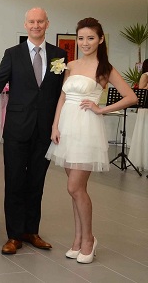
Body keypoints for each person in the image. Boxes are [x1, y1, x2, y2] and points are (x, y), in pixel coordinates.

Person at [0, 7, 67, 255]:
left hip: (44, 130)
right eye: (32, 21)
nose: (36, 25)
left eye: (40, 21)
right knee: (14, 182)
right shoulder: (13, 53)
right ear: (25, 24)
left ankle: (32, 231)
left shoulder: (59, 56)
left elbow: (61, 93)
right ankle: (14, 235)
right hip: (17, 129)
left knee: (37, 182)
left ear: (47, 23)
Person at [46, 17, 137, 264]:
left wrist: (101, 109)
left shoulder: (104, 68)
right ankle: (78, 240)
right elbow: (62, 98)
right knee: (76, 191)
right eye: (81, 38)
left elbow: (131, 97)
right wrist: (55, 125)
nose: (85, 42)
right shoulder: (70, 65)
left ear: (100, 39)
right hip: (66, 129)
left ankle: (89, 240)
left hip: (87, 129)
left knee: (75, 187)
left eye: (90, 38)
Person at [128, 59, 148, 171]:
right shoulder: (145, 75)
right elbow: (141, 90)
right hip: (145, 107)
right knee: (143, 131)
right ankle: (141, 160)